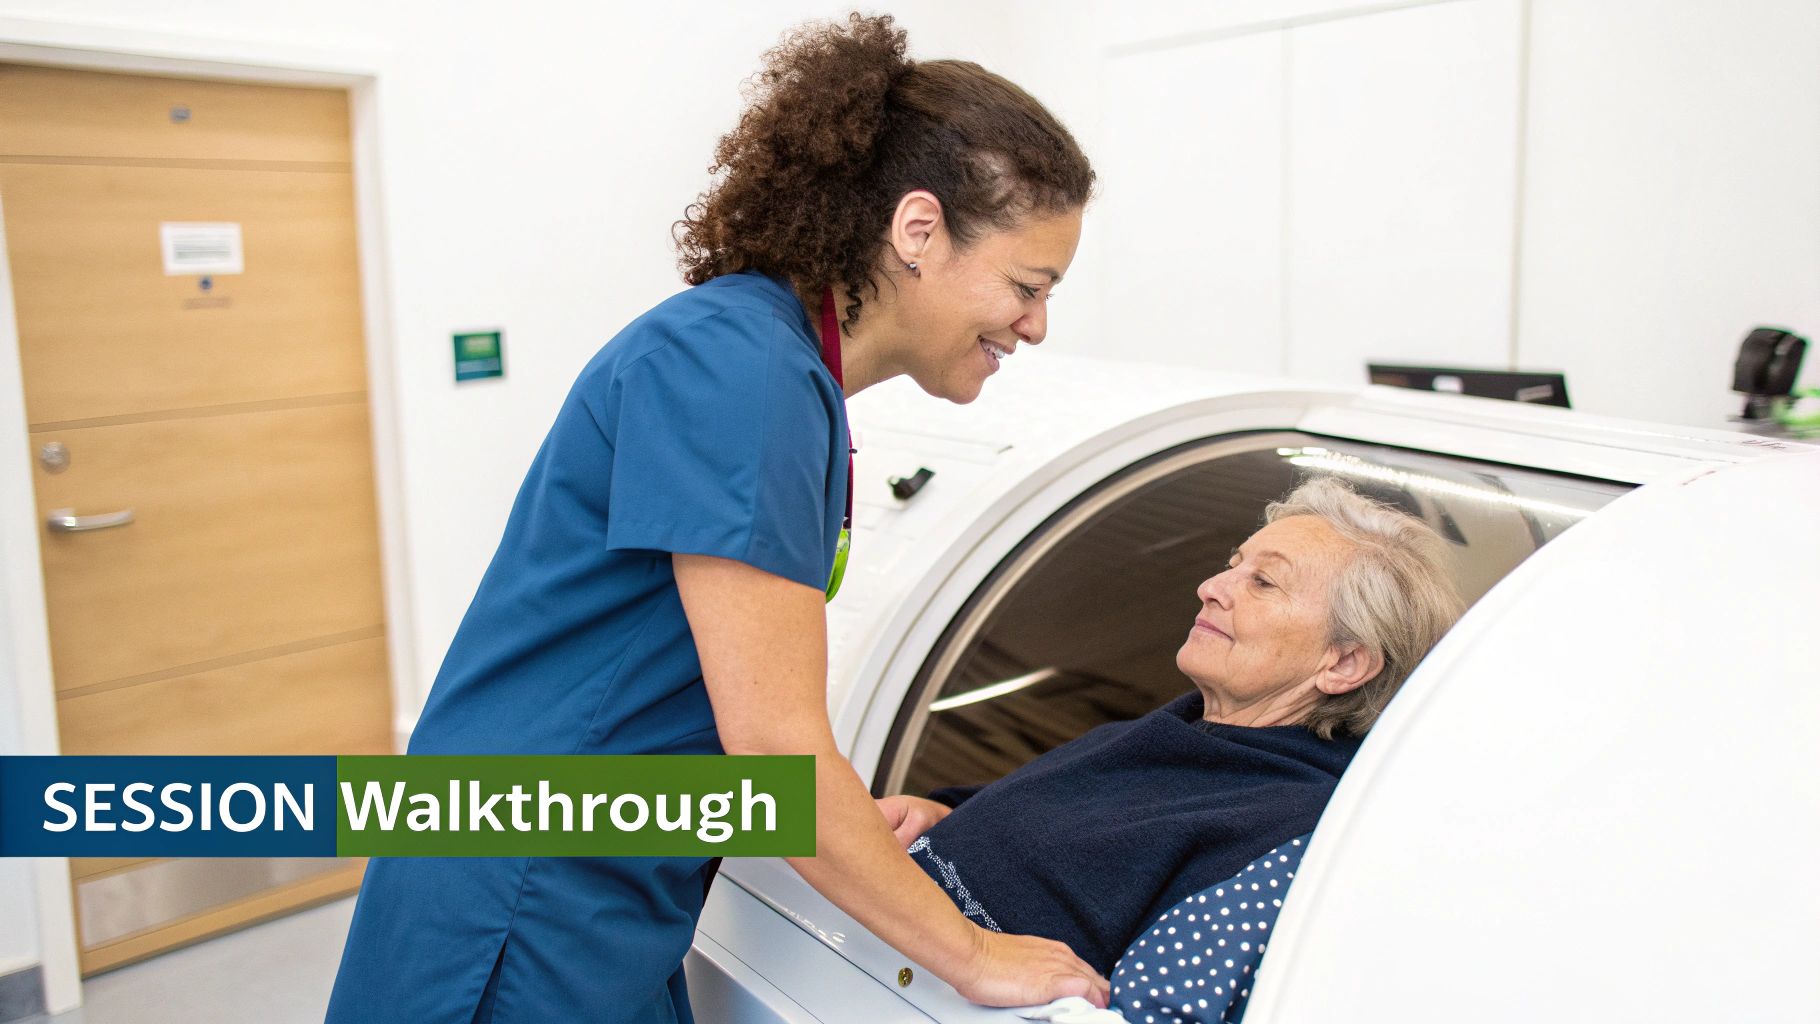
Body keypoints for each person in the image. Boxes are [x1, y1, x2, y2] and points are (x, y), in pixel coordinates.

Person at [326, 13, 1105, 1023]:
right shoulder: (740, 371)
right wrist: (968, 954)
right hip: (524, 902)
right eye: (1025, 285)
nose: (1034, 325)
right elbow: (775, 745)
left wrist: (845, 831)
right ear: (917, 232)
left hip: (597, 882)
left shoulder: (772, 364)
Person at [877, 479, 1465, 976]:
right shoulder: (1175, 729)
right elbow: (1051, 818)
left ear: (1343, 663)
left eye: (1263, 582)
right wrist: (947, 815)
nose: (1210, 587)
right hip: (850, 919)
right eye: (1234, 565)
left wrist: (972, 950)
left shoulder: (1284, 832)